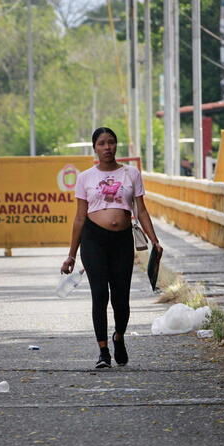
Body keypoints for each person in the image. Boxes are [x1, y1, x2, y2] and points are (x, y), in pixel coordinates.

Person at [61, 127, 162, 368]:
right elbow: (79, 218)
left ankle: (119, 336)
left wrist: (155, 240)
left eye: (111, 142)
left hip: (121, 241)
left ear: (117, 146)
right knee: (99, 295)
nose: (107, 147)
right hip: (93, 239)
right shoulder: (86, 177)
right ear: (94, 148)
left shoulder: (131, 174)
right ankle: (103, 351)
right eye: (102, 143)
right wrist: (71, 255)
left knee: (121, 297)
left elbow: (141, 210)